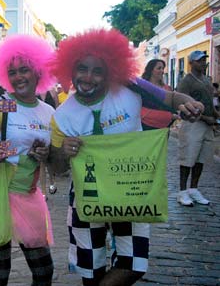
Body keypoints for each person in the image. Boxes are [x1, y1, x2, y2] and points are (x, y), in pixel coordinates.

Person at [49, 28, 204, 286]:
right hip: (87, 197)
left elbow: (172, 98)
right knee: (91, 270)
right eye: (82, 69)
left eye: (97, 70)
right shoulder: (62, 116)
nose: (88, 77)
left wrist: (189, 104)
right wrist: (62, 152)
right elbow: (55, 167)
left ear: (109, 70)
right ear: (70, 69)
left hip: (132, 190)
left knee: (133, 264)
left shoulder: (130, 88)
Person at [0, 34, 56, 286]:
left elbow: (55, 161)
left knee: (44, 271)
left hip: (28, 195)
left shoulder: (49, 112)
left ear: (37, 72)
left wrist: (46, 154)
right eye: (12, 72)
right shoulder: (2, 103)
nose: (18, 76)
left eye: (24, 70)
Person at [176, 51, 219, 206]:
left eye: (204, 60)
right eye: (199, 61)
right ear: (191, 63)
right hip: (192, 124)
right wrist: (204, 117)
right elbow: (181, 104)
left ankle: (194, 189)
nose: (203, 63)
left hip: (207, 125)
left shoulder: (206, 80)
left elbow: (209, 101)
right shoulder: (186, 81)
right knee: (188, 157)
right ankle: (182, 192)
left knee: (201, 158)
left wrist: (215, 114)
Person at [140, 59, 178, 130]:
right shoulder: (142, 87)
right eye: (159, 68)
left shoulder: (167, 88)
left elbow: (172, 106)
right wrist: (169, 116)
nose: (162, 71)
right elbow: (140, 110)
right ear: (151, 70)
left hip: (165, 127)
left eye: (163, 68)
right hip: (147, 126)